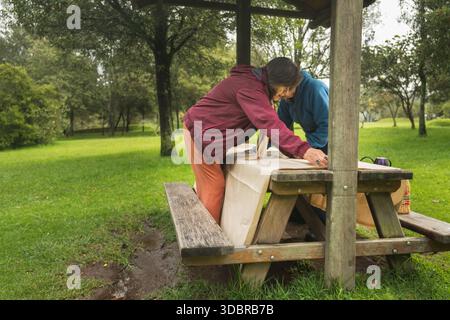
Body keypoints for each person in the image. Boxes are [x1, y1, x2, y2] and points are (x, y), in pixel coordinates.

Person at [183, 57, 328, 224]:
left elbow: (272, 125)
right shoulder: (251, 89)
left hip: (200, 130)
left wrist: (294, 151)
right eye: (286, 88)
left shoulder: (254, 84)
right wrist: (305, 150)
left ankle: (207, 231)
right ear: (276, 82)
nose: (285, 94)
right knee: (214, 186)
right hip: (199, 132)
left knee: (208, 186)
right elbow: (271, 124)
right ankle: (206, 242)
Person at [277, 69, 329, 154]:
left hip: (331, 142)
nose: (280, 95)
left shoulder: (315, 89)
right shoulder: (286, 98)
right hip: (313, 143)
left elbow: (327, 125)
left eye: (283, 90)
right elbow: (280, 125)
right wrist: (272, 148)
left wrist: (307, 148)